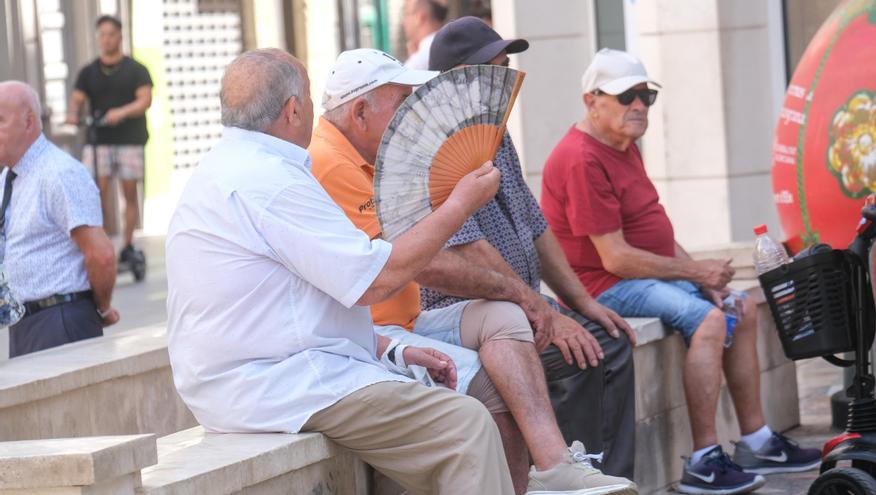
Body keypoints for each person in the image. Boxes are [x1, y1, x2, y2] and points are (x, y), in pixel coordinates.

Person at [165, 48, 516, 495]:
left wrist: (386, 349)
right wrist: (460, 204)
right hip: (275, 384)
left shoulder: (224, 169)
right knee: (466, 425)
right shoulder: (271, 181)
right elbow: (376, 280)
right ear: (294, 110)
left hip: (254, 378)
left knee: (425, 434)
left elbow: (283, 305)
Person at [311, 47, 637, 495]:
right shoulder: (330, 163)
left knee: (517, 321)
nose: (412, 114)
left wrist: (546, 303)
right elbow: (422, 265)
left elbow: (530, 224)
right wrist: (529, 297)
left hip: (407, 322)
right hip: (370, 337)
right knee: (503, 374)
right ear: (361, 111)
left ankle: (556, 466)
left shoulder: (389, 151)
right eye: (402, 102)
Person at [541, 48, 822, 494]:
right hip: (604, 286)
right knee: (710, 320)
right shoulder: (580, 157)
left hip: (640, 276)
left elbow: (652, 227)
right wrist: (694, 275)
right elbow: (614, 257)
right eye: (625, 96)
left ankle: (757, 440)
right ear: (591, 100)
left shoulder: (622, 144)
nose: (638, 105)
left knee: (739, 305)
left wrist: (698, 273)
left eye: (645, 96)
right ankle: (705, 461)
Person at [424, 16, 637, 480]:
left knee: (606, 335)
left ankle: (606, 479)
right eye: (495, 68)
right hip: (471, 315)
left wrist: (582, 303)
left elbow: (535, 226)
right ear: (458, 78)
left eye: (505, 66)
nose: (507, 79)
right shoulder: (434, 147)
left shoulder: (495, 132)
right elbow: (473, 251)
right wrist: (545, 311)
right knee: (586, 350)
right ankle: (568, 475)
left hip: (523, 304)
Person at [0, 81, 118, 358]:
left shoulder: (59, 173)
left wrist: (101, 308)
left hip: (60, 321)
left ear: (28, 122)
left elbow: (101, 255)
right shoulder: (8, 177)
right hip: (25, 325)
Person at [66, 15, 153, 266]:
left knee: (129, 194)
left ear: (120, 37)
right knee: (95, 193)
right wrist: (73, 114)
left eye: (110, 34)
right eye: (101, 35)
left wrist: (122, 112)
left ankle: (126, 245)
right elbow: (77, 99)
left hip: (129, 139)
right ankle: (101, 245)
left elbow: (145, 100)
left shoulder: (136, 70)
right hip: (98, 142)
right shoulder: (88, 71)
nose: (106, 39)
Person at [402, 0, 447, 69]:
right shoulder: (449, 44)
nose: (403, 22)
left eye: (407, 14)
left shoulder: (420, 60)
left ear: (420, 17)